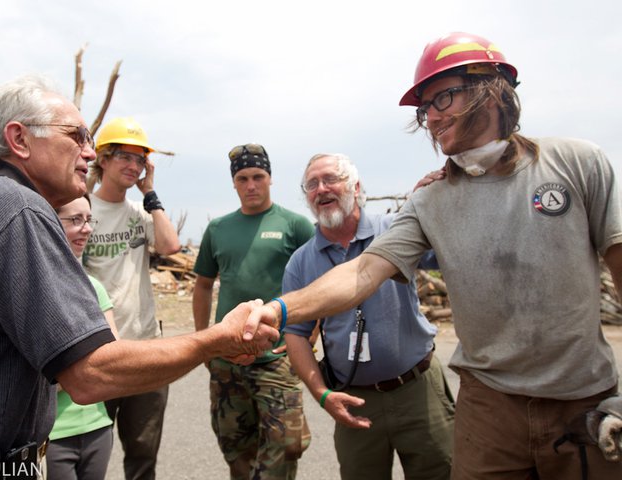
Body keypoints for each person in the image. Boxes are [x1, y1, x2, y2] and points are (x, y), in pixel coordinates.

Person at [244, 32, 622, 479]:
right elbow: (363, 272)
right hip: (489, 406)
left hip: (583, 399)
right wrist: (278, 309)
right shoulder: (429, 202)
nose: (433, 118)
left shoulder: (577, 163)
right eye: (426, 109)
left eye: (443, 98)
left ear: (492, 89)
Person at [0, 75, 278, 480]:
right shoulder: (16, 208)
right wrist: (217, 339)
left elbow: (168, 245)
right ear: (19, 139)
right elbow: (89, 373)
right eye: (76, 135)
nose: (88, 151)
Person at [283, 153, 454, 479]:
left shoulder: (394, 229)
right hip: (354, 399)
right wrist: (322, 394)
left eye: (330, 179)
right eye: (312, 184)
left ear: (356, 187)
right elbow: (296, 334)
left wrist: (434, 205)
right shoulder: (301, 262)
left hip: (418, 389)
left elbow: (446, 254)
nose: (321, 189)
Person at [193, 143, 315, 479]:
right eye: (243, 178)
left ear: (270, 178)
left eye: (258, 176)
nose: (251, 185)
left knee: (288, 443)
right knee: (235, 445)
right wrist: (203, 341)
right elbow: (203, 285)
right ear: (234, 183)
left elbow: (317, 285)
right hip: (227, 357)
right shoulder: (218, 229)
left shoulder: (295, 225)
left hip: (277, 356)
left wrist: (310, 337)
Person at [85, 117, 180, 480]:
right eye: (124, 156)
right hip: (98, 351)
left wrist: (150, 192)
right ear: (103, 159)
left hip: (144, 347)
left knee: (143, 454)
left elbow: (170, 246)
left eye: (140, 159)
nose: (133, 165)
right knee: (88, 453)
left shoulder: (141, 213)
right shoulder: (83, 212)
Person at [46, 194, 118, 480]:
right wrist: (83, 369)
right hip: (53, 434)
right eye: (75, 220)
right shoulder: (34, 286)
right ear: (50, 222)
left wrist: (64, 372)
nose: (86, 228)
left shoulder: (94, 288)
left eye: (89, 220)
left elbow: (111, 358)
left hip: (97, 427)